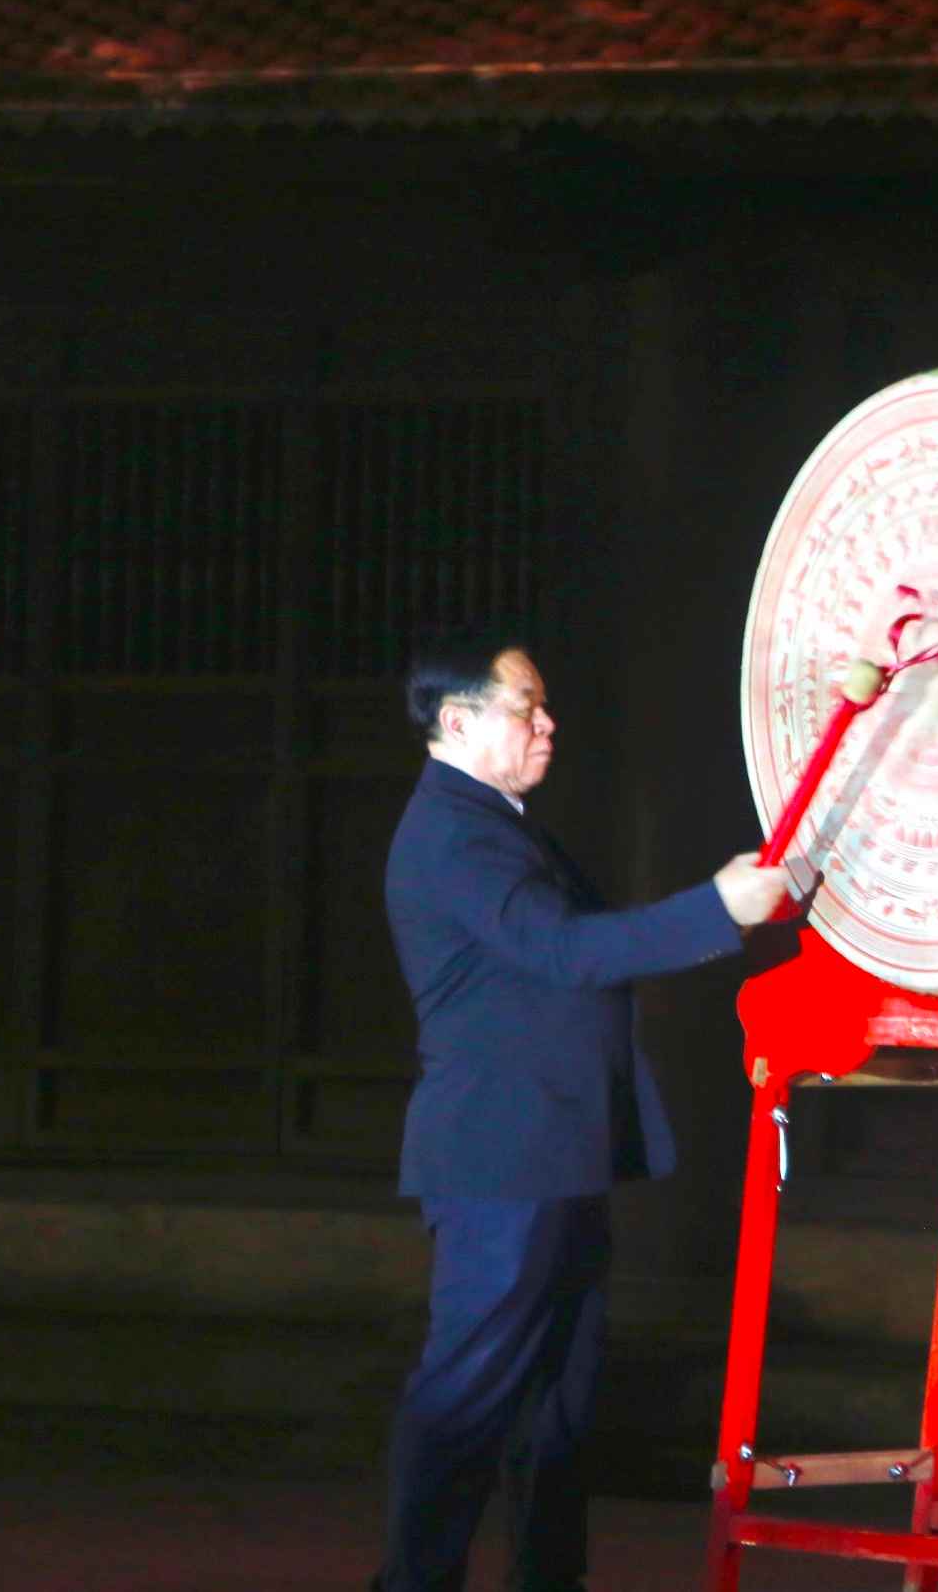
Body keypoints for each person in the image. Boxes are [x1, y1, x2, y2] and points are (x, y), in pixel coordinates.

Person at [375, 629, 789, 1592]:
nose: (548, 723)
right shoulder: (451, 831)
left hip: (550, 1154)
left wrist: (738, 904)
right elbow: (566, 951)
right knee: (466, 1397)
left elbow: (578, 949)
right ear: (458, 718)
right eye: (527, 706)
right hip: (500, 1160)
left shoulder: (496, 820)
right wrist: (715, 908)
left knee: (554, 1408)